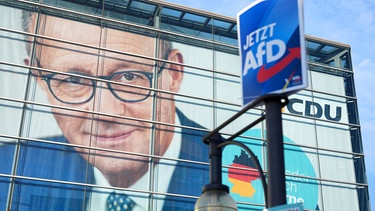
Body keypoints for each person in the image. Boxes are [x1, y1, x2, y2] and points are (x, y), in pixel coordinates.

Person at [0, 11, 209, 211]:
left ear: (173, 74)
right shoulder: (7, 171)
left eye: (128, 76)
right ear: (40, 80)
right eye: (74, 81)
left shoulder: (232, 174)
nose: (104, 113)